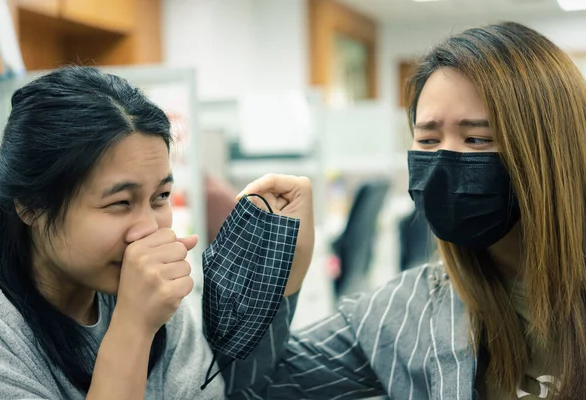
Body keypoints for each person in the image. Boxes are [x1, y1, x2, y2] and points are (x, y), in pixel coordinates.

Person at [227, 22, 586, 400]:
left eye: (477, 138)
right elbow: (255, 387)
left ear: (549, 149)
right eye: (427, 139)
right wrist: (277, 277)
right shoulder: (406, 312)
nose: (446, 160)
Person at [0, 67, 313, 399]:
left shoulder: (153, 297)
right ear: (30, 206)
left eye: (161, 197)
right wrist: (134, 327)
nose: (149, 231)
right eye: (121, 202)